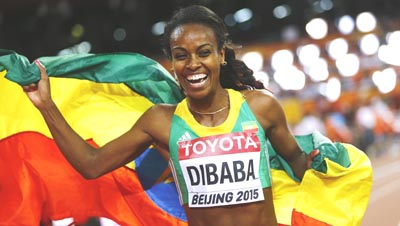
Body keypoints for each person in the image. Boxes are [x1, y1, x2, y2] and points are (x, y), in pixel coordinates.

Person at [23, 5, 318, 226]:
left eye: (203, 52)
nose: (193, 64)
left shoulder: (259, 107)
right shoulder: (160, 121)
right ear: (173, 63)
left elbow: (295, 161)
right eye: (181, 55)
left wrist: (315, 167)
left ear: (221, 55)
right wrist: (46, 105)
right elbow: (91, 165)